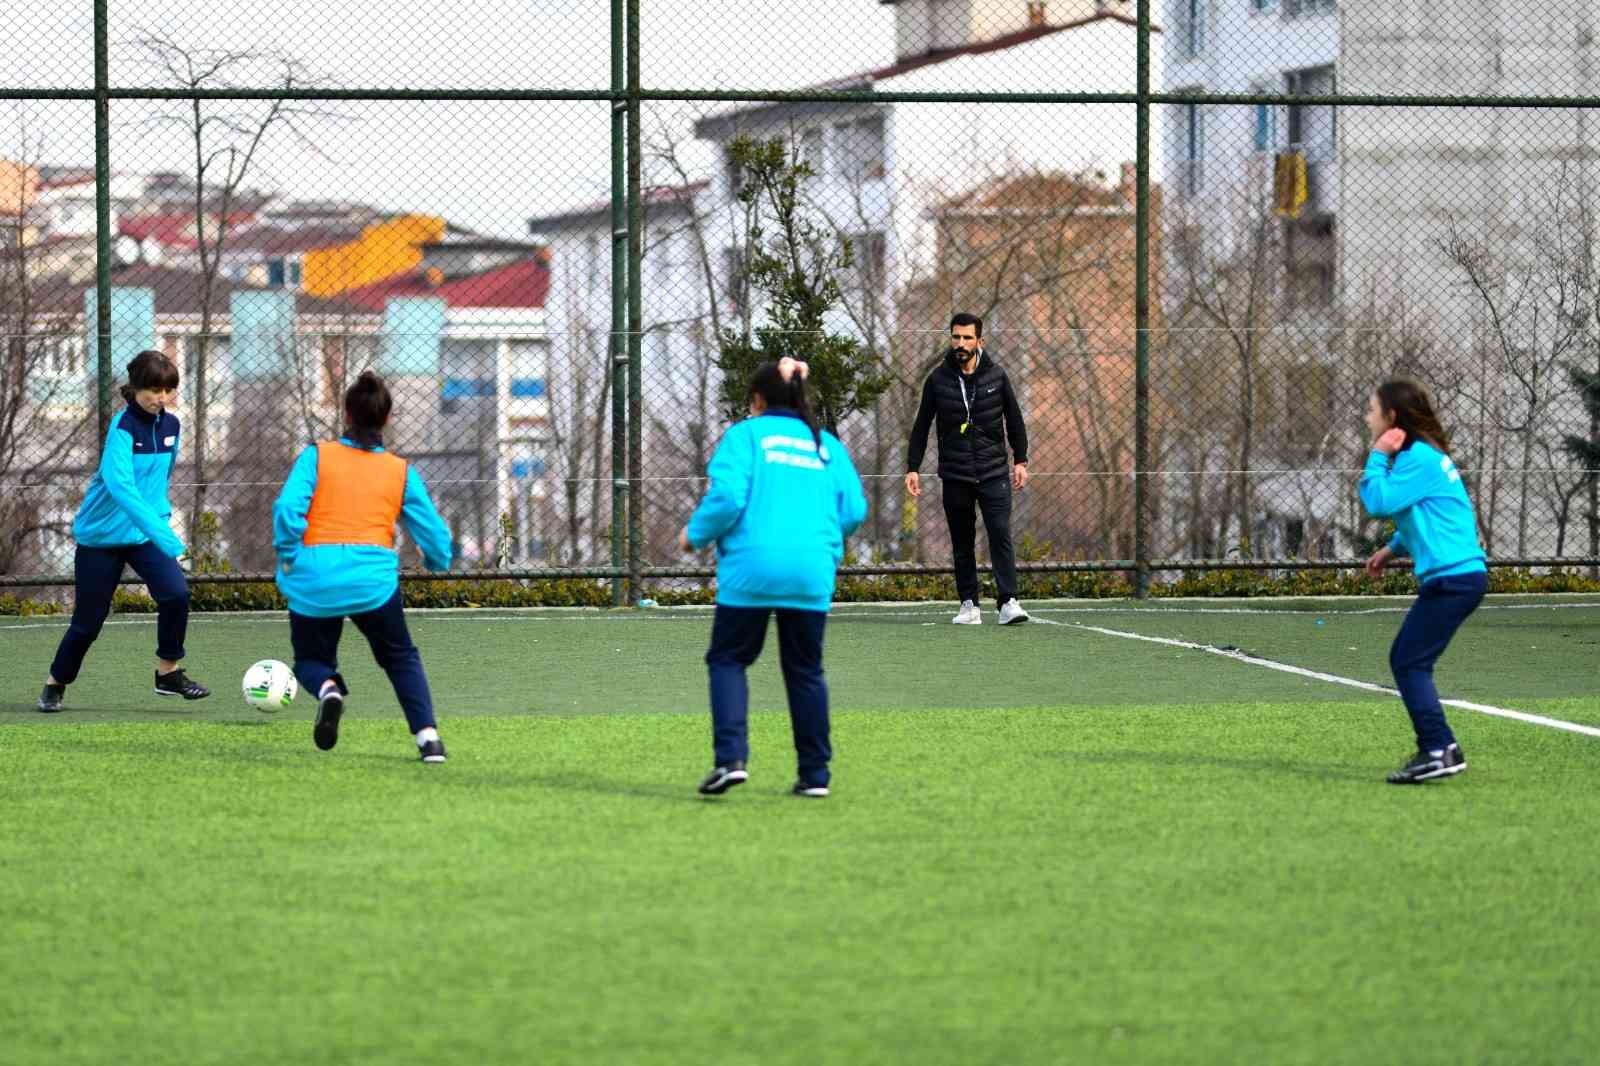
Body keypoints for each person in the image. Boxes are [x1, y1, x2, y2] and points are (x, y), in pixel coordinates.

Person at [680, 357, 868, 798]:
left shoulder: (744, 436)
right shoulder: (826, 445)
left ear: (758, 400)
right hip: (810, 571)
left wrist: (695, 535)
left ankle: (731, 760)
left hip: (752, 569)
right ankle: (815, 776)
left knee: (728, 660)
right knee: (805, 671)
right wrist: (819, 538)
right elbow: (855, 511)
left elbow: (727, 497)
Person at [272, 371, 454, 763]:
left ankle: (329, 690)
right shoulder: (399, 470)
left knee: (311, 662)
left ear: (346, 415)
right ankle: (428, 739)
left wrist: (289, 554)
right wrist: (438, 562)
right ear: (387, 419)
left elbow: (288, 509)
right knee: (400, 656)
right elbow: (435, 535)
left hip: (313, 576)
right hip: (371, 580)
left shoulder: (316, 456)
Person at [39, 350, 210, 712]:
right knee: (87, 624)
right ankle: (56, 683)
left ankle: (168, 673)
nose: (161, 397)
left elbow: (157, 484)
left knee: (176, 594)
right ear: (134, 389)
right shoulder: (122, 429)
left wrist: (159, 525)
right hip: (101, 539)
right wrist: (167, 536)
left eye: (167, 390)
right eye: (153, 390)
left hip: (143, 536)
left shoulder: (173, 426)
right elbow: (122, 488)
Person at [1359, 378, 1488, 784]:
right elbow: (1431, 512)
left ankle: (1439, 749)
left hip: (1454, 580)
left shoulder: (1415, 459)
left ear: (1391, 417)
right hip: (1458, 578)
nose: (1367, 417)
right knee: (1410, 659)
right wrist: (1392, 549)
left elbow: (1377, 501)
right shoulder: (1425, 457)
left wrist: (1377, 456)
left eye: (1371, 410)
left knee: (1409, 662)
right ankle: (1440, 747)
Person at [905, 312, 1031, 625]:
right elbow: (922, 425)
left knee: (1000, 533)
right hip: (956, 473)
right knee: (962, 540)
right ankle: (969, 604)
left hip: (993, 472)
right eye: (956, 337)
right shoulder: (937, 380)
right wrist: (912, 467)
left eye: (966, 338)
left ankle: (1008, 602)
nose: (960, 343)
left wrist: (1021, 460)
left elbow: (1014, 420)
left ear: (979, 341)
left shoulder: (997, 376)